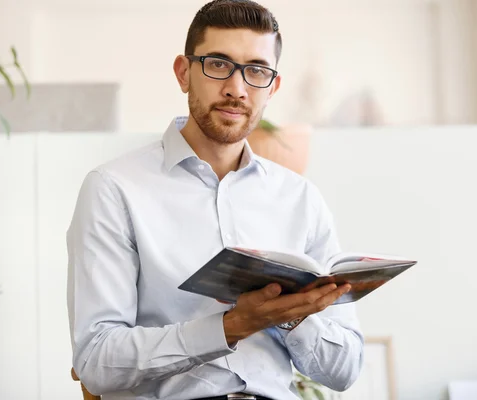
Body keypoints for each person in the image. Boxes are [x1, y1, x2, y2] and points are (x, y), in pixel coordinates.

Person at [66, 1, 364, 399]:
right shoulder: (114, 188)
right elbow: (97, 361)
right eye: (219, 64)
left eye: (256, 70)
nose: (236, 89)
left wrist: (290, 315)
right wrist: (231, 326)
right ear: (183, 73)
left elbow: (344, 371)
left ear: (272, 87)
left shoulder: (300, 199)